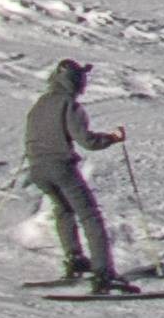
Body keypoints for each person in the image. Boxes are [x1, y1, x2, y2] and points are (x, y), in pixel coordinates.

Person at [24, 59, 131, 294]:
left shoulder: (40, 104)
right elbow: (87, 141)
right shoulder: (69, 105)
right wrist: (113, 138)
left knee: (63, 209)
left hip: (37, 168)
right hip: (60, 166)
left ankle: (75, 259)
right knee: (90, 216)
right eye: (82, 79)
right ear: (74, 81)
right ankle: (104, 275)